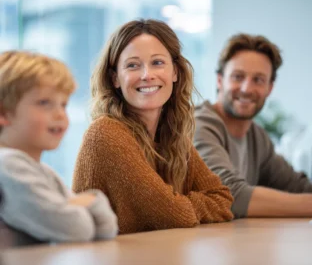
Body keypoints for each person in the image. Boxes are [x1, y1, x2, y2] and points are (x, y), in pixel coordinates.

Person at [72, 19, 233, 234]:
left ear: (175, 72)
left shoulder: (172, 137)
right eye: (133, 65)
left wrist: (181, 204)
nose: (147, 75)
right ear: (115, 79)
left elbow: (222, 199)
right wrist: (185, 205)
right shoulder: (106, 133)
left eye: (157, 63)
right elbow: (174, 214)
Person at [0, 51, 118, 243]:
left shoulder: (42, 171)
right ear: (3, 113)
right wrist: (93, 201)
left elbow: (106, 228)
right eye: (44, 103)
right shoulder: (8, 166)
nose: (60, 115)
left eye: (63, 105)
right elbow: (77, 229)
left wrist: (77, 206)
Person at [194, 33, 312, 218]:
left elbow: (298, 187)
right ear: (219, 80)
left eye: (258, 80)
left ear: (269, 88)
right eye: (238, 77)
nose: (246, 88)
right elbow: (230, 196)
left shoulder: (257, 137)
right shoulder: (199, 125)